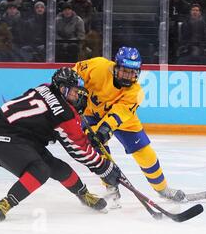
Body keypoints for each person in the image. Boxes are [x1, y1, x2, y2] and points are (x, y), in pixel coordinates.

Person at [0, 68, 122, 222]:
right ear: (62, 88)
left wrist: (80, 131)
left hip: (21, 138)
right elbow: (79, 150)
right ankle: (4, 205)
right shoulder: (64, 113)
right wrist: (105, 168)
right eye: (74, 91)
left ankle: (84, 195)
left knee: (58, 167)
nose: (77, 96)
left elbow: (51, 119)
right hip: (6, 143)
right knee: (40, 171)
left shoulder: (45, 87)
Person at [73, 46, 186, 202]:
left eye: (133, 72)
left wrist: (105, 129)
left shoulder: (136, 92)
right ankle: (111, 187)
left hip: (122, 120)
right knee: (98, 149)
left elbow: (119, 114)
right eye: (125, 71)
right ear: (116, 67)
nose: (128, 76)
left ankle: (162, 189)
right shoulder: (98, 66)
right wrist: (76, 91)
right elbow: (75, 72)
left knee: (146, 153)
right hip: (90, 114)